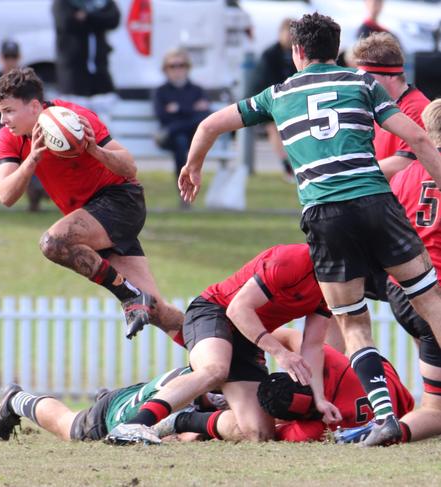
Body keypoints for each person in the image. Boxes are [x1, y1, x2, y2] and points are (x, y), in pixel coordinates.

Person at [177, 12, 441, 446]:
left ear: (296, 51)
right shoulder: (362, 83)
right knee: (430, 303)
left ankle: (384, 419)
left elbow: (209, 125)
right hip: (376, 203)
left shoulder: (278, 94)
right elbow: (417, 137)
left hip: (326, 215)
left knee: (354, 324)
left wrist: (193, 165)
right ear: (336, 49)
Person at [0, 67, 184, 340]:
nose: (3, 120)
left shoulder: (76, 119)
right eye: (1, 112)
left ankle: (128, 296)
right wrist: (33, 158)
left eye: (8, 110)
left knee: (54, 243)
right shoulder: (8, 138)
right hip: (89, 217)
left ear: (34, 106)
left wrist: (95, 150)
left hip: (120, 200)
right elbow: (6, 195)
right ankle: (229, 355)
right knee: (156, 310)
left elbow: (129, 167)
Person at [106, 244, 342, 445]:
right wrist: (280, 352)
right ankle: (133, 425)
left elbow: (313, 346)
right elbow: (237, 309)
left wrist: (319, 398)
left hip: (247, 336)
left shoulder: (332, 286)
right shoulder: (292, 259)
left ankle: (183, 418)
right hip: (214, 311)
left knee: (259, 433)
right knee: (216, 369)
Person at [343, 99, 441, 445]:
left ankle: (390, 429)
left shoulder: (404, 176)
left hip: (404, 293)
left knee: (436, 405)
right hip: (435, 293)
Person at [152, 328, 414, 443]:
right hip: (391, 389)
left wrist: (253, 344)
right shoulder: (332, 365)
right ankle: (205, 401)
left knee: (252, 428)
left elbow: (260, 430)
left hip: (394, 402)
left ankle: (190, 415)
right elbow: (291, 337)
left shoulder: (310, 430)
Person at [0, 367, 194, 444]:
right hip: (113, 416)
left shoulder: (204, 370)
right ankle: (15, 400)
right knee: (66, 424)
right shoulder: (209, 378)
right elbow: (187, 429)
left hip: (129, 400)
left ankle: (104, 399)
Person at [0, 39, 47, 212]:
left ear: (19, 57)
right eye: (6, 56)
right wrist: (11, 114)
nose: (10, 61)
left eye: (13, 56)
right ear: (0, 58)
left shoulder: (28, 85)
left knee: (38, 144)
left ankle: (40, 189)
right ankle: (37, 188)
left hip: (30, 130)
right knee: (23, 148)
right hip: (1, 131)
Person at [353, 32, 429, 180]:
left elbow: (406, 162)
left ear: (391, 75)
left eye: (367, 77)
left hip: (401, 201)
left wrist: (354, 175)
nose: (361, 83)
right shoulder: (375, 105)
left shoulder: (417, 108)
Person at [153, 48, 210, 205]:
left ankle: (185, 193)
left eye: (182, 65)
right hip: (169, 138)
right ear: (165, 69)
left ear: (188, 67)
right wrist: (191, 109)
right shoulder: (161, 92)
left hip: (189, 136)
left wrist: (178, 109)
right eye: (173, 66)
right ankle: (185, 191)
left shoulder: (197, 90)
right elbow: (162, 116)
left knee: (182, 138)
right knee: (180, 141)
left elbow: (205, 116)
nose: (178, 69)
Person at [249, 18, 297, 181]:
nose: (290, 38)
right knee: (273, 127)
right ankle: (286, 165)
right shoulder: (270, 55)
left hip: (291, 100)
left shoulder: (298, 53)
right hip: (270, 100)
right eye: (288, 33)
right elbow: (263, 82)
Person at [52, 0, 120, 97]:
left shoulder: (102, 2)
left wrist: (88, 16)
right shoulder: (63, 2)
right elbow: (66, 21)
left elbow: (113, 19)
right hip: (74, 72)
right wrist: (97, 19)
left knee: (104, 102)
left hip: (99, 69)